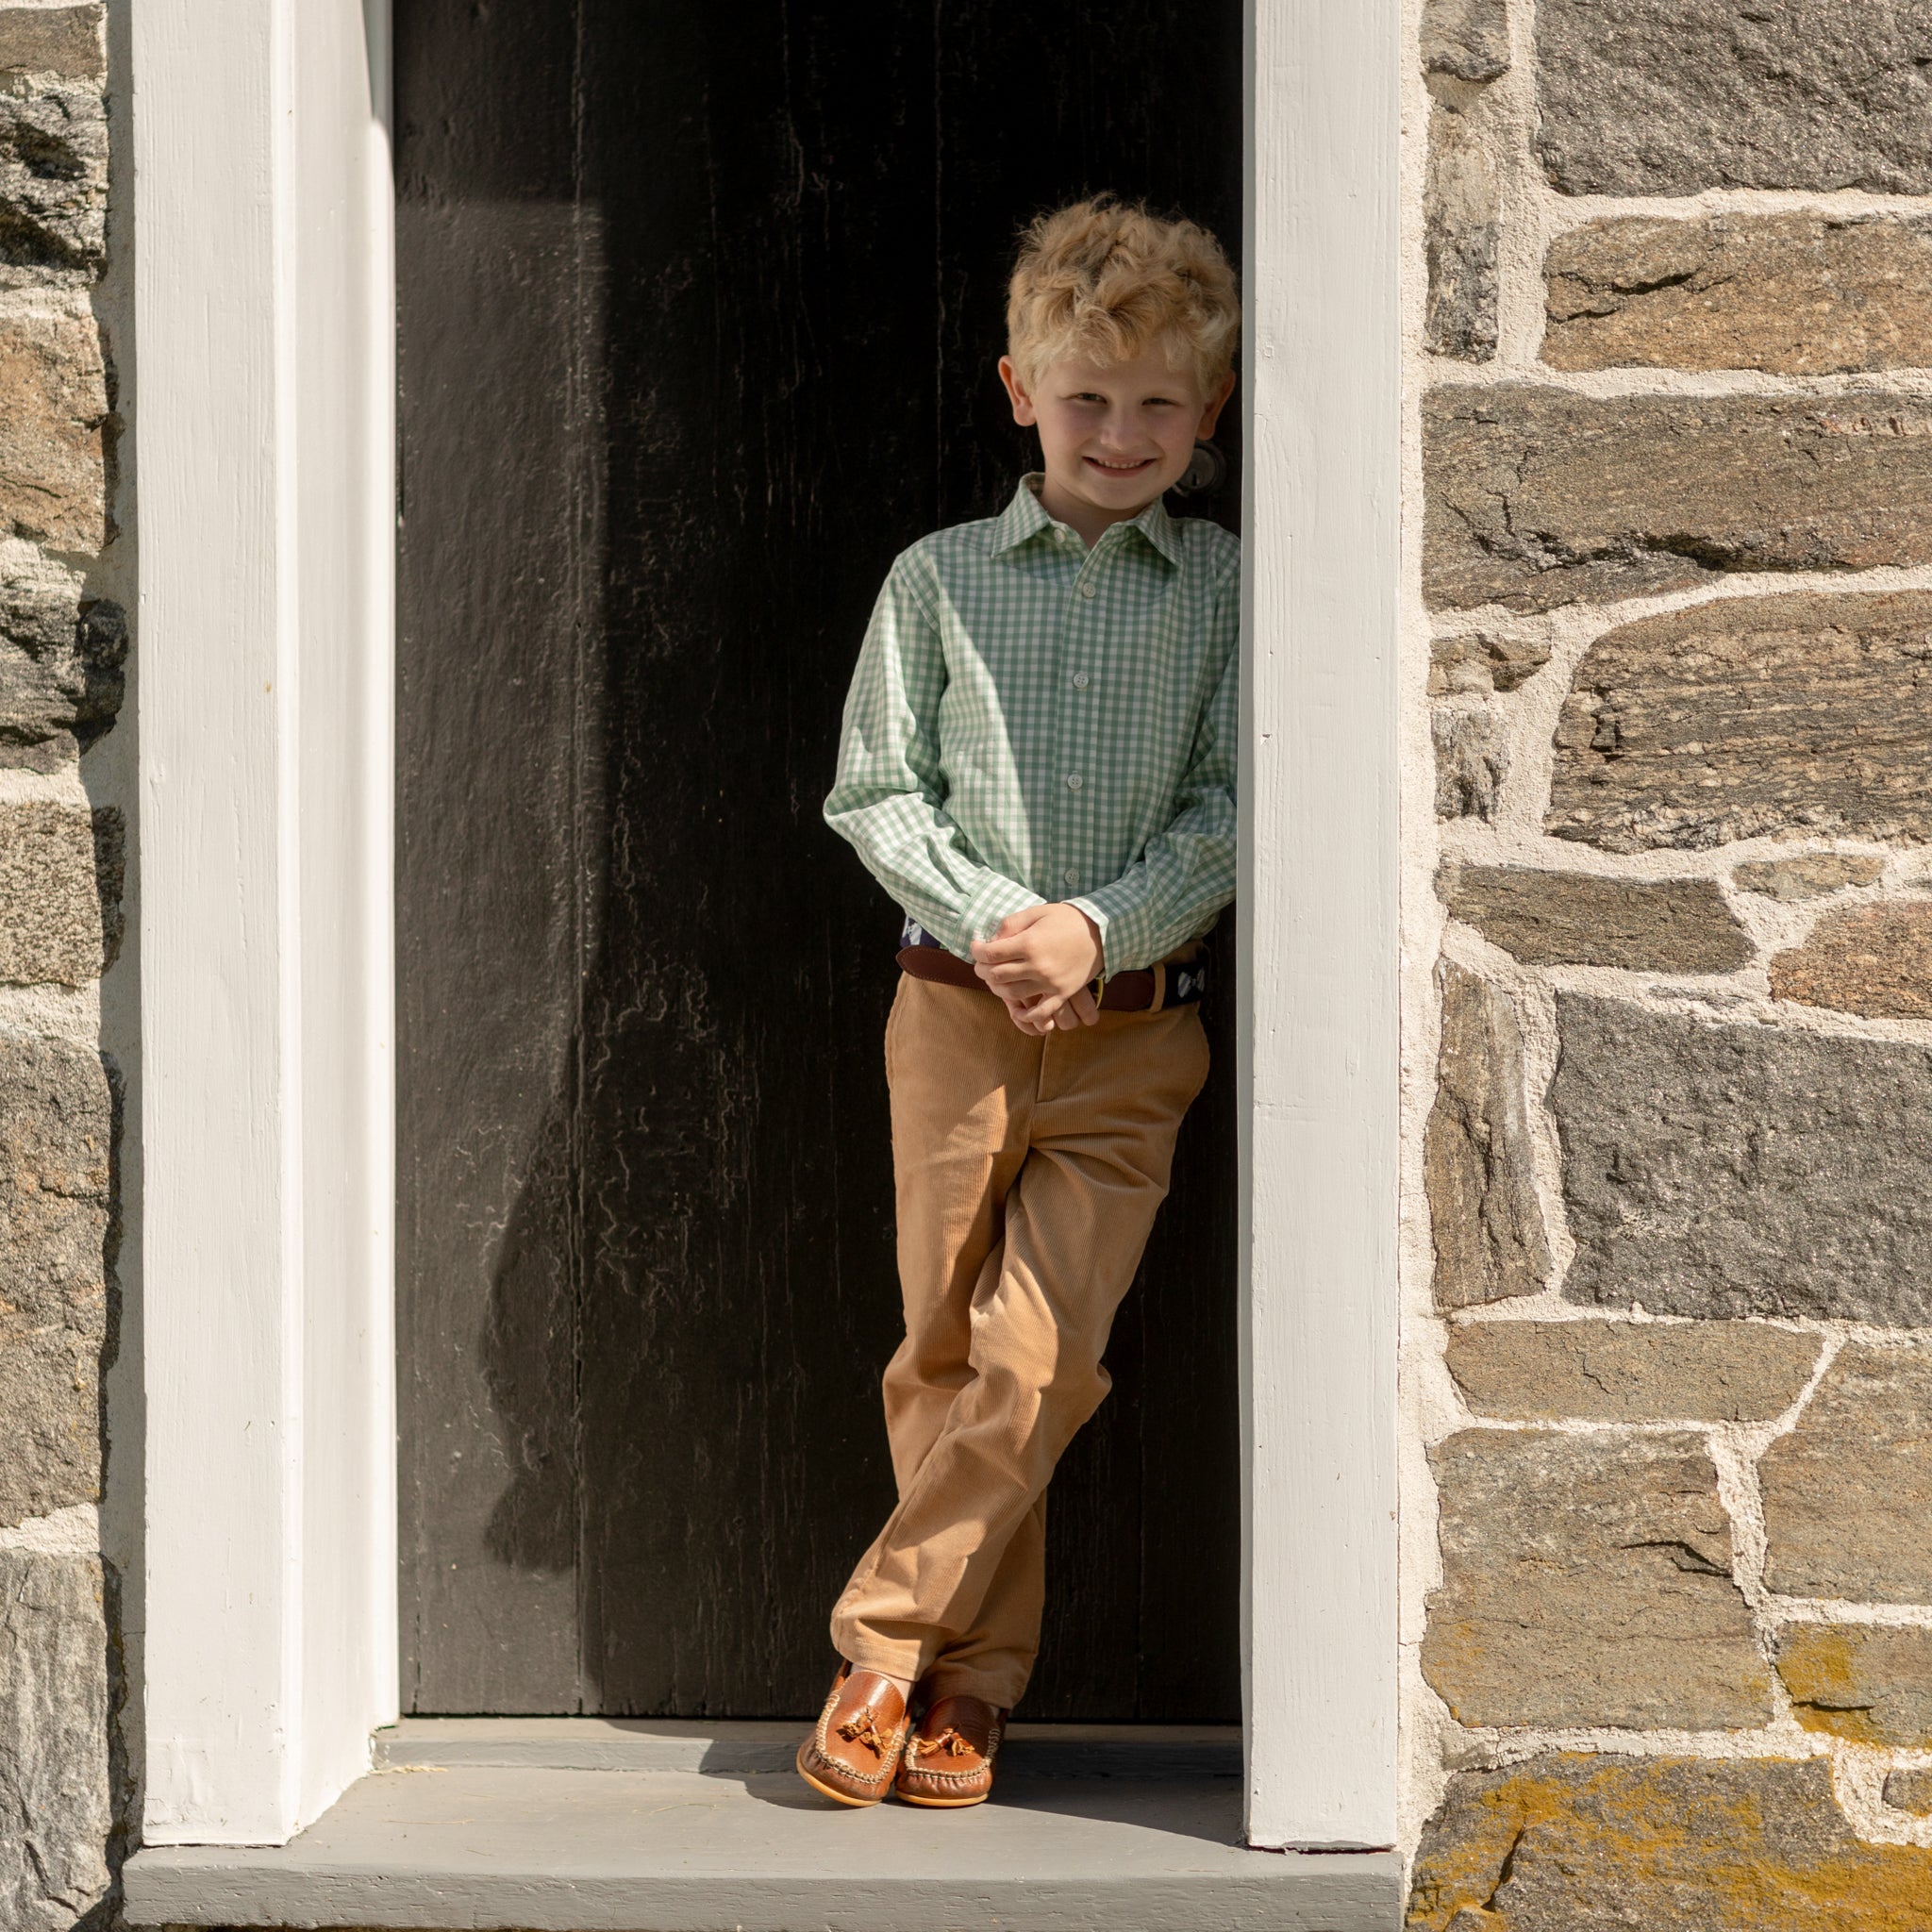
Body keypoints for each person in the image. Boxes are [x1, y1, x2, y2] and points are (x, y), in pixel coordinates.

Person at [798, 195, 1240, 1809]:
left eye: (1157, 406)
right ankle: (976, 1692)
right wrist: (1007, 926)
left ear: (1211, 411)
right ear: (1017, 392)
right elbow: (877, 793)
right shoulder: (934, 582)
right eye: (1085, 399)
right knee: (940, 1355)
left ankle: (886, 1648)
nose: (1119, 435)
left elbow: (1233, 803)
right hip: (956, 1020)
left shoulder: (1227, 593)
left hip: (1135, 1045)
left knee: (1039, 1360)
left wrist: (1105, 926)